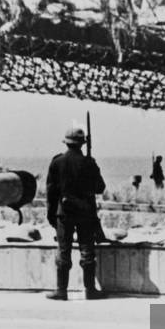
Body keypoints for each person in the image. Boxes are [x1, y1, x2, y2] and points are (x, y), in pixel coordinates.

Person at [46, 127, 107, 300]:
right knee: (87, 251)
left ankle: (61, 290)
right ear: (82, 144)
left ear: (66, 142)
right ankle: (90, 290)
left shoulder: (57, 162)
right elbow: (100, 188)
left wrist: (51, 214)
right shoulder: (89, 162)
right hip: (86, 213)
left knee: (63, 250)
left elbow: (51, 191)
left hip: (64, 213)